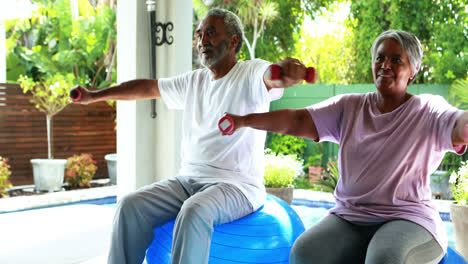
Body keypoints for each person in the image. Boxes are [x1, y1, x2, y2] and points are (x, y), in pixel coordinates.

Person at [71, 8, 308, 264]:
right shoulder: (195, 80)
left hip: (237, 186)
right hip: (188, 181)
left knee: (195, 210)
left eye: (211, 33)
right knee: (129, 206)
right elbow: (148, 87)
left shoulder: (250, 72)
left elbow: (271, 77)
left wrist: (285, 73)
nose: (202, 40)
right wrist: (95, 95)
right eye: (199, 34)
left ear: (233, 41)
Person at [224, 30, 468, 264]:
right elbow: (297, 120)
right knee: (304, 253)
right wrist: (244, 120)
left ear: (413, 70)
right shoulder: (350, 107)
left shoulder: (428, 109)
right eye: (380, 58)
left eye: (396, 60)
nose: (385, 65)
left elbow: (458, 125)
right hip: (351, 217)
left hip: (409, 219)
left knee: (384, 258)